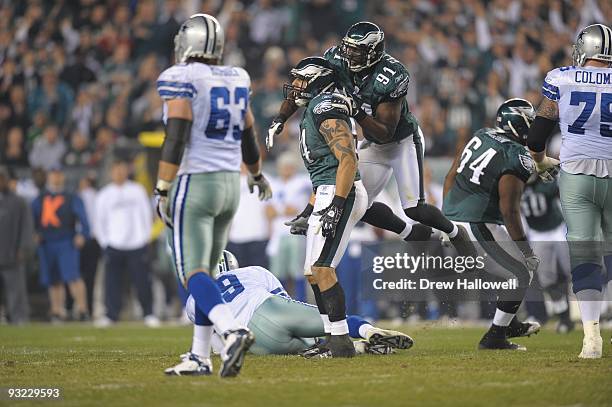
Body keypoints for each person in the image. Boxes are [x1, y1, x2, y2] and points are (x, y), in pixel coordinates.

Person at [268, 21, 469, 248]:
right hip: (373, 143)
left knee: (414, 208)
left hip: (401, 141)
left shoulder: (392, 75)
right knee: (356, 202)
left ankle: (453, 231)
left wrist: (355, 111)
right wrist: (281, 117)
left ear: (373, 52)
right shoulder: (337, 59)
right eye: (348, 48)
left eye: (357, 51)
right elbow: (305, 85)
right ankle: (411, 233)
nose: (349, 55)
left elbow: (385, 132)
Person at [154, 14, 273, 378]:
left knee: (194, 274)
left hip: (196, 182)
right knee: (209, 272)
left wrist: (162, 186)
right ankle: (200, 355)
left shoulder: (182, 77)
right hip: (229, 186)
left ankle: (232, 329)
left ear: (187, 42)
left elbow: (176, 135)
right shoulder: (237, 76)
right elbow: (249, 134)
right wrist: (255, 173)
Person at [166, 250, 414, 375]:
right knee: (332, 321)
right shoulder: (251, 271)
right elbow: (283, 299)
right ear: (231, 264)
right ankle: (369, 332)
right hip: (268, 309)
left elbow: (218, 348)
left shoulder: (193, 299)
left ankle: (360, 348)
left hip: (256, 344)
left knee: (309, 347)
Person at [526, 23, 612, 359]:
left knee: (585, 255)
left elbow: (536, 138)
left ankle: (591, 340)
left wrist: (542, 161)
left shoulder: (561, 77)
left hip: (575, 175)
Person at [283, 56, 369, 358]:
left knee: (323, 268)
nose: (295, 86)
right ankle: (329, 337)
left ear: (318, 81)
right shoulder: (314, 108)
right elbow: (324, 172)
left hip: (341, 191)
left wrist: (336, 205)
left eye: (301, 80)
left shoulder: (325, 106)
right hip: (327, 191)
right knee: (312, 272)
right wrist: (309, 211)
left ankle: (341, 343)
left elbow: (347, 159)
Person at [442, 98, 541, 351]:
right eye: (530, 122)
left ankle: (510, 323)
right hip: (478, 223)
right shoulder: (517, 155)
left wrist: (445, 219)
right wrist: (527, 251)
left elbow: (451, 173)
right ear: (519, 124)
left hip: (455, 218)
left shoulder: (482, 134)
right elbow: (509, 210)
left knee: (505, 274)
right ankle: (495, 336)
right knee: (522, 271)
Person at [94, 159, 157, 327]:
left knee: (143, 282)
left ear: (127, 171)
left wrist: (145, 238)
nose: (119, 173)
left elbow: (146, 214)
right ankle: (111, 315)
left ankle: (149, 313)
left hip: (137, 244)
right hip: (113, 245)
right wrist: (105, 243)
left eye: (122, 169)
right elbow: (99, 221)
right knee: (112, 283)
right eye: (116, 170)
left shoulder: (137, 190)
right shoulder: (104, 194)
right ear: (111, 172)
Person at [31, 166, 90, 322]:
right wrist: (34, 234)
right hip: (47, 241)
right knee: (53, 279)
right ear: (49, 177)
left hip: (66, 240)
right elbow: (33, 219)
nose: (56, 178)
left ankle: (83, 309)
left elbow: (83, 218)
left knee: (73, 276)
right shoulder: (41, 197)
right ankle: (57, 310)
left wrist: (83, 235)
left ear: (62, 177)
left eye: (58, 175)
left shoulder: (71, 196)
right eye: (53, 175)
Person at [520, 175, 573, 333]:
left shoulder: (546, 182)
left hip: (558, 230)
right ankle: (564, 318)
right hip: (537, 234)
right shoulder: (516, 185)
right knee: (547, 281)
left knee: (576, 272)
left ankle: (595, 315)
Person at [0, 166, 33, 324]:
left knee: (16, 291)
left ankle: (19, 319)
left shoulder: (19, 202)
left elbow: (27, 227)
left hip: (11, 254)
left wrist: (23, 247)